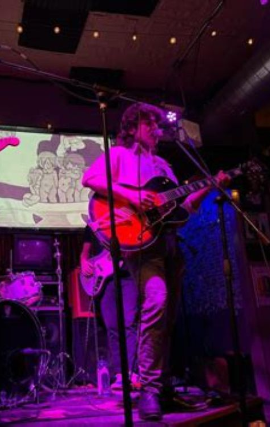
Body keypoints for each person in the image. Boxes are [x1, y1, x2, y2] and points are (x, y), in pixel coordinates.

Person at [82, 103, 229, 420]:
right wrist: (133, 196)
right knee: (156, 301)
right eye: (150, 124)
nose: (157, 131)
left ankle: (160, 387)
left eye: (158, 126)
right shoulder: (118, 156)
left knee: (167, 319)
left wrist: (209, 186)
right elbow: (89, 178)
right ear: (132, 127)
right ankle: (148, 389)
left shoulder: (163, 165)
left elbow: (182, 209)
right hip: (141, 247)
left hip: (169, 245)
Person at [79, 225, 139, 390]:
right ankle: (120, 374)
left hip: (127, 275)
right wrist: (83, 261)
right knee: (112, 327)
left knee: (129, 323)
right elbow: (85, 252)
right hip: (105, 280)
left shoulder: (125, 220)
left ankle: (132, 373)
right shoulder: (93, 224)